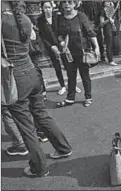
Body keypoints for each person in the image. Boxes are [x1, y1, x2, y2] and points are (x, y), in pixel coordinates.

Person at [2, 1, 72, 177]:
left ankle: (39, 167)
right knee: (41, 114)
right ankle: (63, 148)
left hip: (15, 78)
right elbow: (32, 37)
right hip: (32, 72)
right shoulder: (24, 18)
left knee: (26, 126)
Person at [56, 1, 100, 107]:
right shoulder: (60, 18)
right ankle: (70, 98)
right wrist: (61, 41)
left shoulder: (81, 16)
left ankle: (88, 97)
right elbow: (58, 34)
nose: (67, 4)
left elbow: (90, 32)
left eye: (70, 2)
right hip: (68, 53)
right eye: (64, 2)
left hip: (82, 52)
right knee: (71, 76)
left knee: (85, 76)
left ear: (75, 3)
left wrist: (96, 47)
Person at [37, 1, 68, 96]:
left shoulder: (58, 17)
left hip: (61, 44)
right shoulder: (40, 20)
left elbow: (62, 31)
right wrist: (51, 47)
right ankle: (62, 85)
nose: (48, 10)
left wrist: (62, 42)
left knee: (68, 65)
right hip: (51, 47)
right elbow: (42, 37)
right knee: (57, 67)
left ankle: (72, 84)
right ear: (42, 8)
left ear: (52, 7)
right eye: (45, 7)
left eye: (49, 7)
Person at [100, 1, 119, 66]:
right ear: (104, 3)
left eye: (109, 1)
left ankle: (112, 57)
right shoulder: (102, 11)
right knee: (109, 45)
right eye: (107, 1)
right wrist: (109, 20)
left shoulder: (111, 9)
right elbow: (101, 23)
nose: (109, 3)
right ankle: (110, 60)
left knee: (114, 43)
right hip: (107, 29)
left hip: (112, 28)